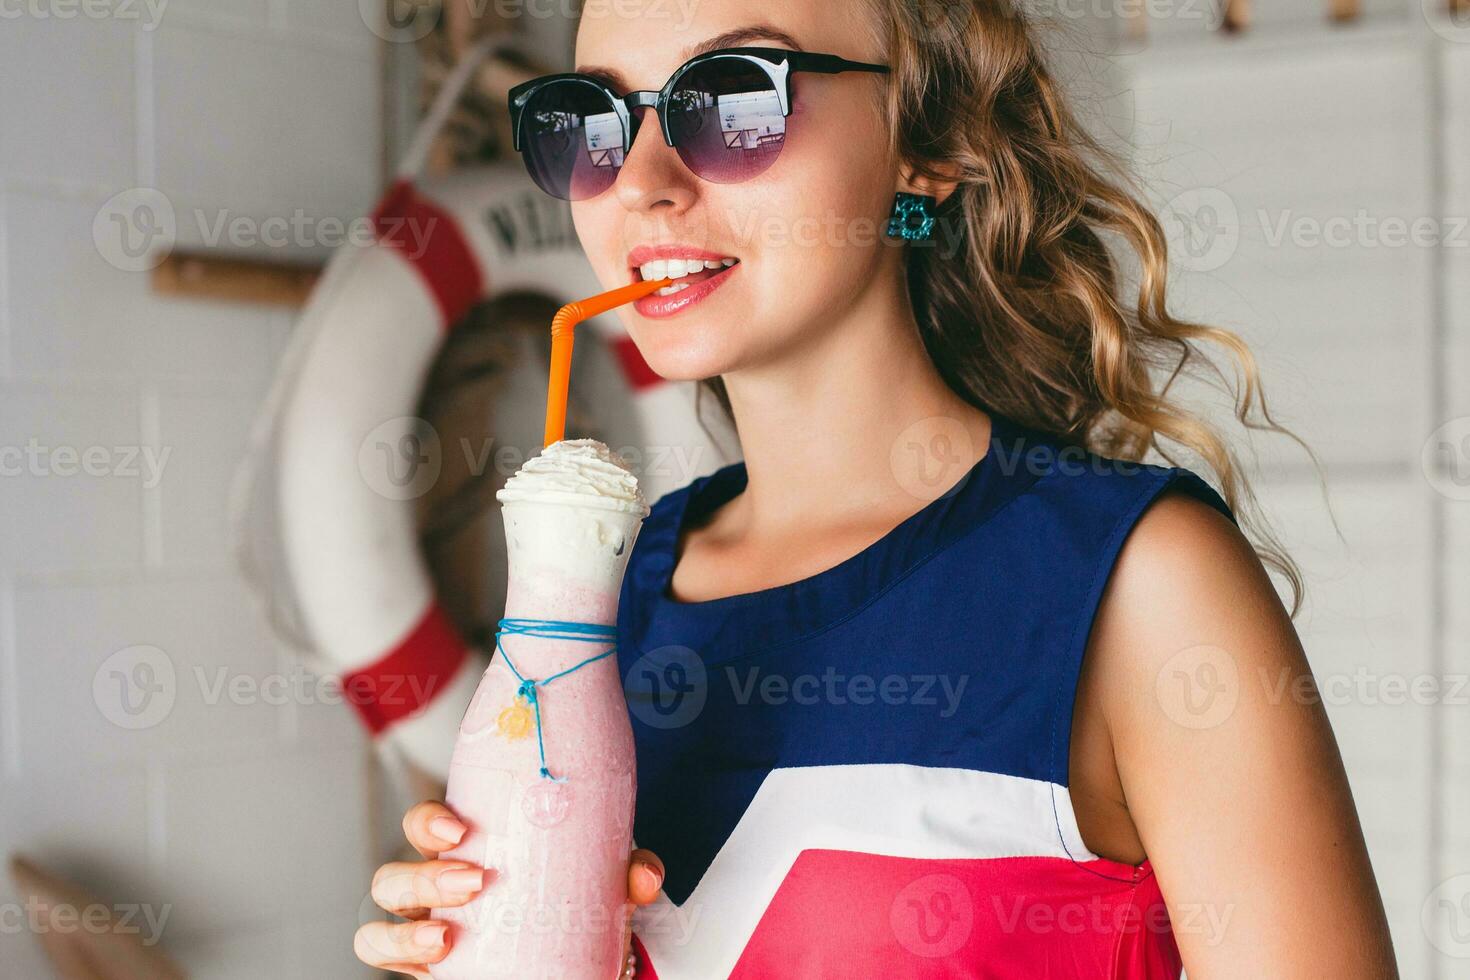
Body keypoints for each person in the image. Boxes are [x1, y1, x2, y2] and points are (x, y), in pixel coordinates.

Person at [354, 1, 1398, 976]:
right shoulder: (597, 607)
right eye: (592, 118)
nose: (643, 181)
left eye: (730, 98)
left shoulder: (1139, 587)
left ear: (930, 145)